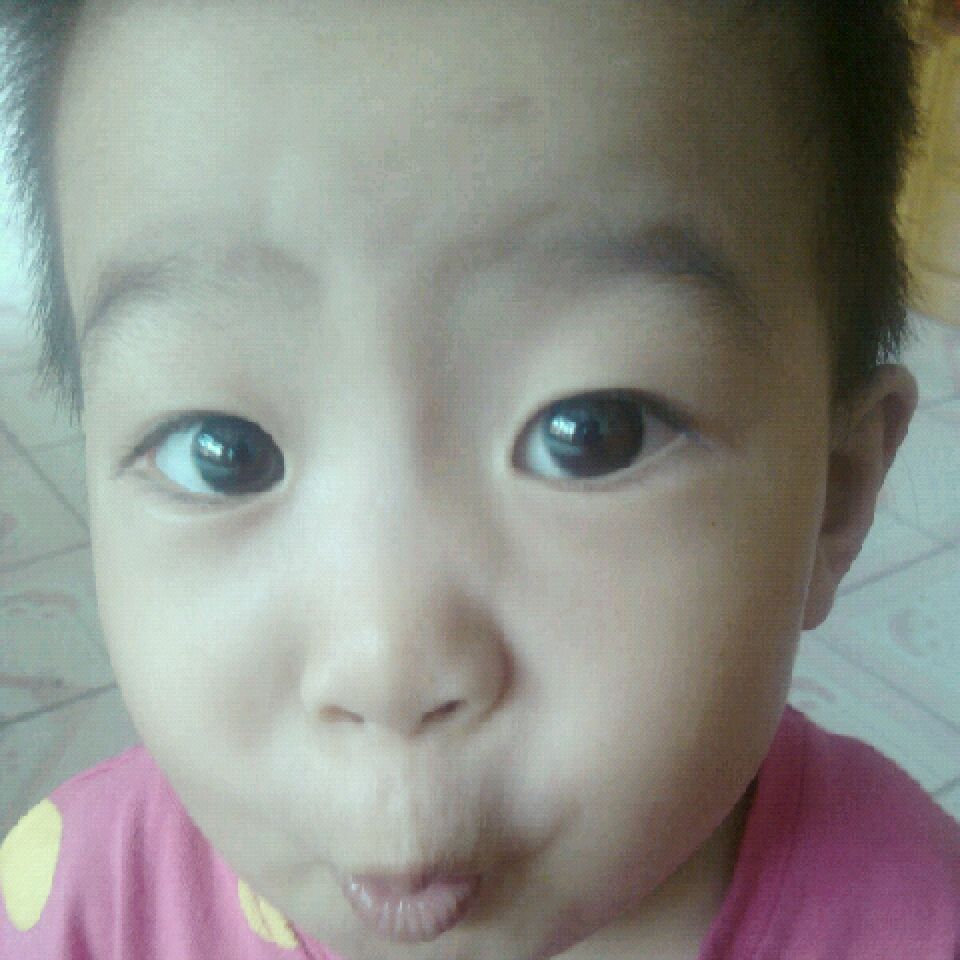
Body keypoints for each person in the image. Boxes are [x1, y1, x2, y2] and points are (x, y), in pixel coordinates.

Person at [0, 1, 957, 957]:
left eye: (593, 435)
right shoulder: (77, 912)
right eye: (221, 450)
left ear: (836, 495)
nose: (387, 668)